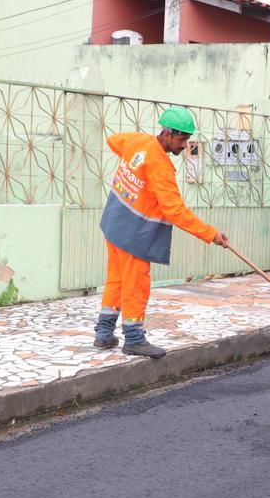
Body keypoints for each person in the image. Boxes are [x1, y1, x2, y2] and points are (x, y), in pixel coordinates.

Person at [95, 106, 229, 358]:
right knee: (136, 283)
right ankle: (134, 338)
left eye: (187, 140)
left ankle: (104, 332)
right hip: (133, 232)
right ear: (166, 134)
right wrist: (210, 234)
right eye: (181, 139)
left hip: (114, 222)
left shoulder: (137, 141)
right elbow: (175, 210)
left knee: (116, 279)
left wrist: (134, 167)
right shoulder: (160, 165)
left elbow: (113, 141)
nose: (184, 145)